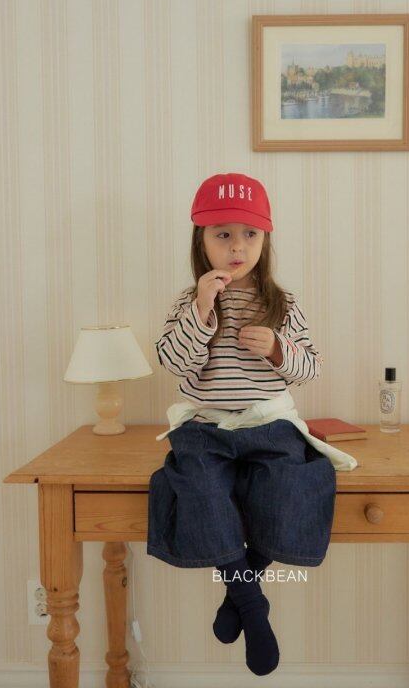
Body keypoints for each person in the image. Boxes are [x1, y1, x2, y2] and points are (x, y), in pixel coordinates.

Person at [148, 172, 357, 676]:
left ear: (265, 240)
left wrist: (279, 349)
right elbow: (174, 363)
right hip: (207, 427)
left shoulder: (282, 303)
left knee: (291, 488)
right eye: (222, 234)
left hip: (269, 423)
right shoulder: (189, 302)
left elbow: (309, 369)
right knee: (198, 486)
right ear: (201, 241)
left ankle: (239, 592)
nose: (237, 247)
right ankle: (252, 605)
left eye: (250, 234)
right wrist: (202, 311)